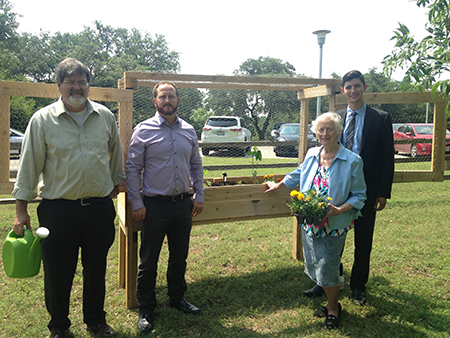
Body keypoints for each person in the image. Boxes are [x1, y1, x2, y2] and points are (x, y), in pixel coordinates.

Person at [12, 58, 125, 338]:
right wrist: (20, 210)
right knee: (57, 272)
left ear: (89, 86)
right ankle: (59, 327)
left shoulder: (105, 117)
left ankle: (96, 321)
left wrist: (114, 183)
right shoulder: (42, 120)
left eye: (82, 81)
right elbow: (29, 167)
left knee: (96, 269)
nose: (77, 87)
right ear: (59, 85)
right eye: (71, 81)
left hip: (98, 209)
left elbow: (116, 155)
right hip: (57, 211)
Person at [265, 112, 366, 329]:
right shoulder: (312, 153)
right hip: (310, 221)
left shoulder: (352, 160)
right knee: (313, 261)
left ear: (338, 132)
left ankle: (332, 308)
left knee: (327, 265)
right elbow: (298, 174)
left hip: (334, 222)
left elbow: (359, 195)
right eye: (321, 129)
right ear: (316, 133)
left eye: (330, 129)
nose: (325, 133)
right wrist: (279, 185)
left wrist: (339, 209)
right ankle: (327, 297)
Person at [302, 70, 395, 305]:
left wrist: (383, 192)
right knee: (330, 238)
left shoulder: (381, 118)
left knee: (364, 240)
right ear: (342, 91)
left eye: (356, 86)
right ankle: (328, 280)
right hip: (336, 191)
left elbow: (387, 158)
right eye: (348, 87)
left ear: (364, 87)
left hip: (366, 192)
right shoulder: (337, 119)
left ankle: (358, 286)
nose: (352, 91)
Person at [126, 81, 204, 334]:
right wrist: (136, 202)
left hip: (183, 204)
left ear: (179, 100)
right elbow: (133, 169)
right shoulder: (143, 130)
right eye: (162, 96)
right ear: (155, 101)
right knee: (148, 260)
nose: (167, 100)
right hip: (153, 206)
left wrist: (199, 195)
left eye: (171, 96)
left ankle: (177, 298)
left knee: (179, 256)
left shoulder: (189, 131)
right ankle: (146, 309)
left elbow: (196, 166)